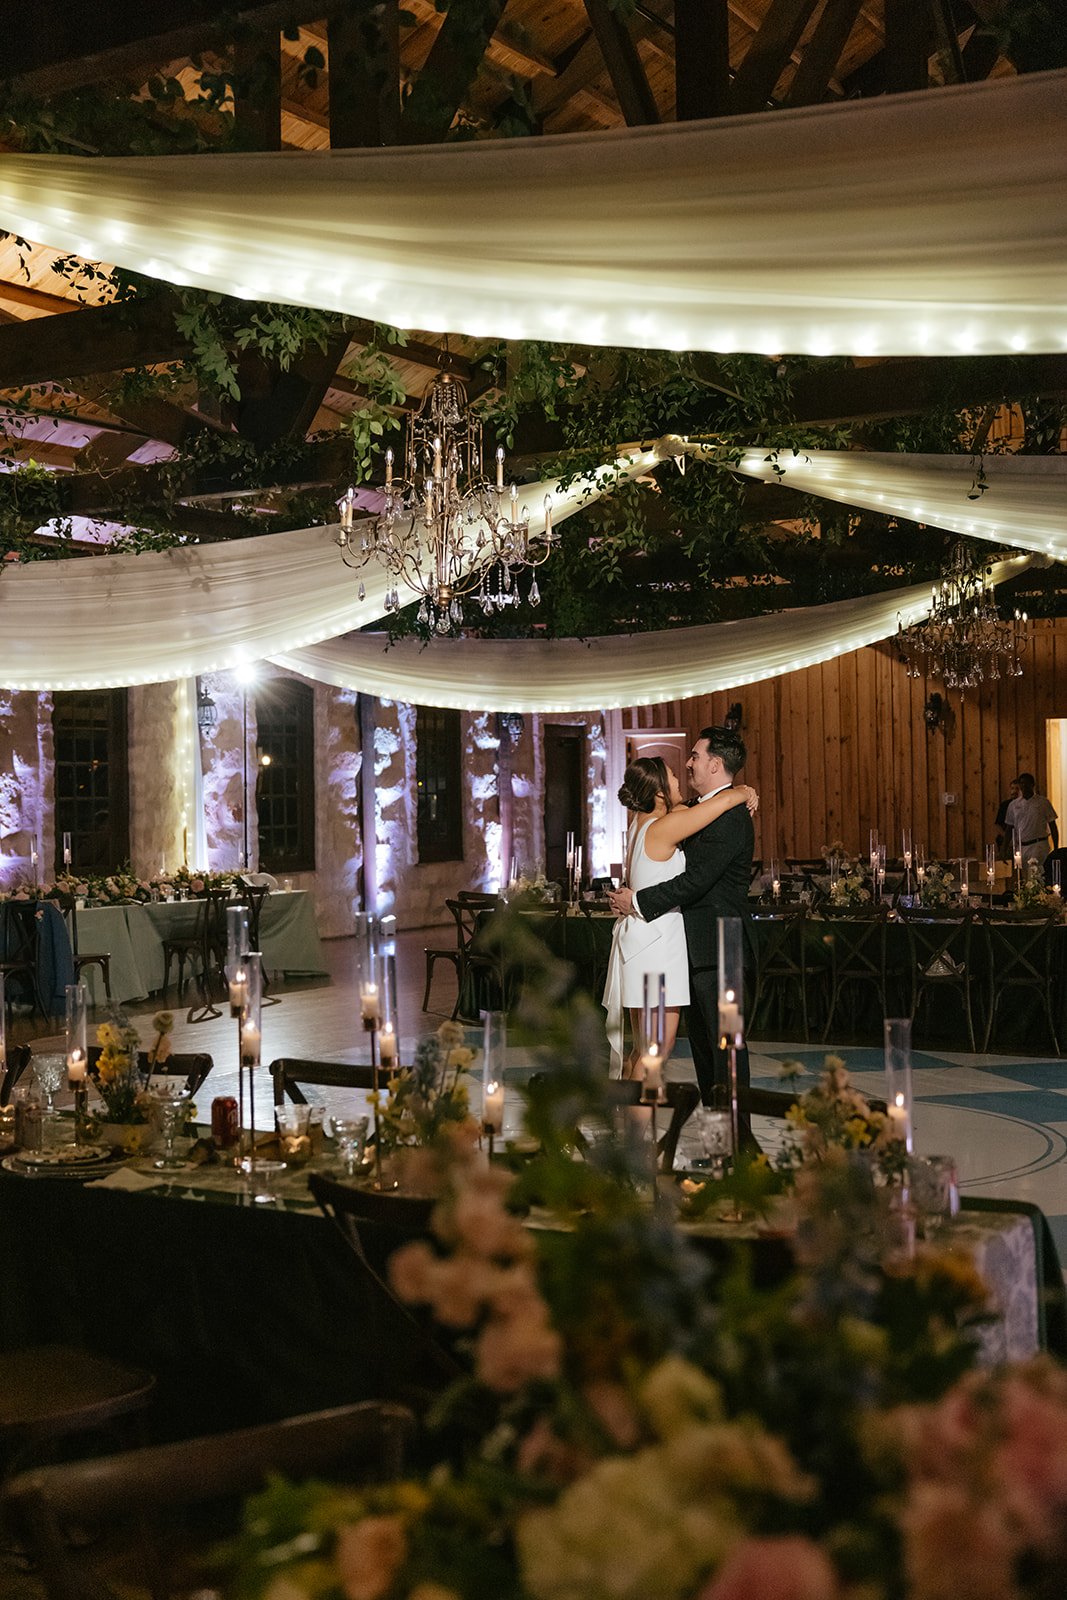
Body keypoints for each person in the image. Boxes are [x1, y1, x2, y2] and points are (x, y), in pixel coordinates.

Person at [609, 726, 755, 1120]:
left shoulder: (729, 816)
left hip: (722, 951)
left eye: (693, 756)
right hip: (687, 952)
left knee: (727, 1049)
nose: (687, 764)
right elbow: (690, 811)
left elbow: (696, 881)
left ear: (715, 763)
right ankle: (716, 1132)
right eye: (678, 767)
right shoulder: (691, 811)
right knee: (700, 1052)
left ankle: (737, 1143)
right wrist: (740, 790)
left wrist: (637, 900)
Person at [1005, 772, 1058, 867]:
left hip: (1038, 845)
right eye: (1021, 783)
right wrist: (1003, 850)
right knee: (1024, 877)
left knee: (1037, 876)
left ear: (1032, 785)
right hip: (1021, 847)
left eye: (1026, 783)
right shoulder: (1013, 805)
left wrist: (1056, 848)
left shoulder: (1043, 803)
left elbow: (1053, 825)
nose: (1024, 786)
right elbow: (1009, 828)